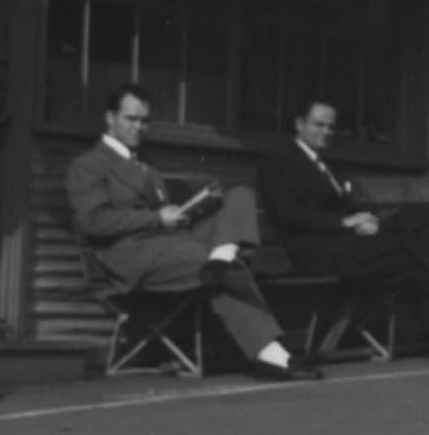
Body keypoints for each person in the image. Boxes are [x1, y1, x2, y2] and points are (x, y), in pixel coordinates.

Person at [66, 84, 316, 382]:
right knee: (208, 263)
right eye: (130, 119)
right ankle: (272, 353)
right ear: (110, 118)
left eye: (145, 121)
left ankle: (223, 255)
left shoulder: (145, 165)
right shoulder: (87, 166)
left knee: (239, 196)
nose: (139, 127)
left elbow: (162, 215)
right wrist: (157, 218)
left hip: (168, 245)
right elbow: (95, 221)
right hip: (130, 258)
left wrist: (190, 211)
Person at [258, 99, 429, 363]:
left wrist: (368, 219)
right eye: (318, 125)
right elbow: (287, 212)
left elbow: (350, 203)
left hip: (349, 246)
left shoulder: (324, 165)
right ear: (299, 124)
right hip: (318, 251)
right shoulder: (280, 159)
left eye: (330, 127)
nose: (326, 132)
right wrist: (343, 223)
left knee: (424, 238)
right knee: (424, 245)